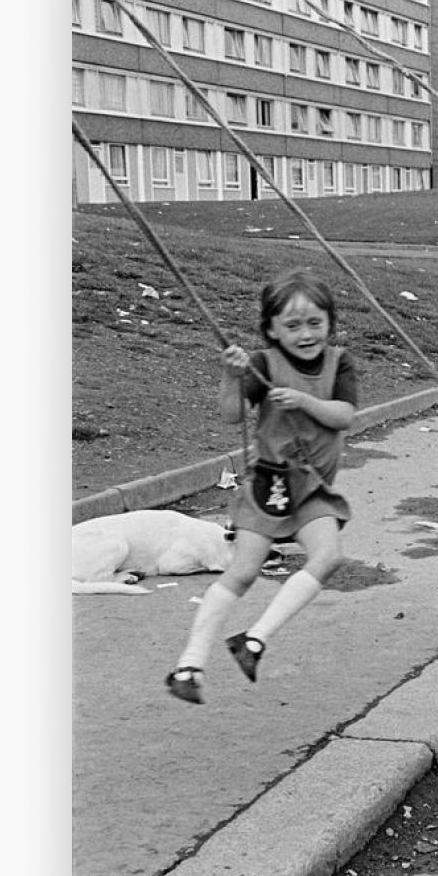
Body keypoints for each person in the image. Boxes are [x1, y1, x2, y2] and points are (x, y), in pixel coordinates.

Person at [166, 270, 357, 703]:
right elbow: (232, 415)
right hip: (269, 483)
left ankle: (253, 640)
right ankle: (189, 664)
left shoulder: (338, 362)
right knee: (244, 571)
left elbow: (344, 414)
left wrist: (304, 400)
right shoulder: (263, 364)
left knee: (328, 557)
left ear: (329, 322)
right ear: (271, 329)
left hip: (310, 486)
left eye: (315, 323)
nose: (306, 334)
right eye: (292, 325)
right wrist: (232, 376)